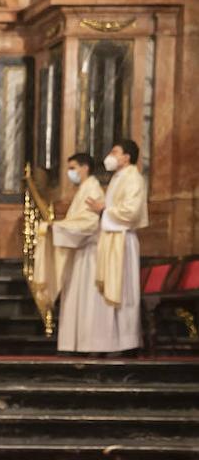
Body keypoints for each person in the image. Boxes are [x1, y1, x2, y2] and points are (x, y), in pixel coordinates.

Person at [61, 139, 148, 354]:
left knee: (122, 292)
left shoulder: (133, 178)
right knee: (109, 293)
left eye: (114, 151)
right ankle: (111, 342)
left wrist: (104, 210)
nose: (110, 156)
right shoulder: (118, 178)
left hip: (122, 241)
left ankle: (126, 343)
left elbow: (132, 210)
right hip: (110, 239)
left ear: (126, 157)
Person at [31, 153, 104, 353]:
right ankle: (75, 344)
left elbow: (89, 223)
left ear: (85, 167)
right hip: (79, 253)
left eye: (72, 167)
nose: (69, 172)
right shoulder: (83, 190)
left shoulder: (93, 190)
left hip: (89, 255)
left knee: (87, 302)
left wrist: (58, 227)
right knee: (75, 300)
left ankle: (89, 344)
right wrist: (58, 227)